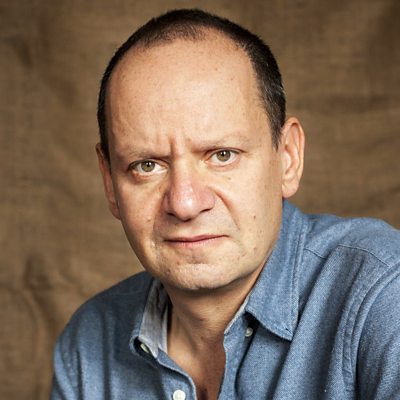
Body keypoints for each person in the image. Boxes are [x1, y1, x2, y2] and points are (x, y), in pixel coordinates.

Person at [51, 9, 400, 400]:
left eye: (222, 155)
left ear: (287, 157)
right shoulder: (89, 346)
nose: (184, 203)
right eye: (147, 165)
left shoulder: (384, 296)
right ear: (110, 183)